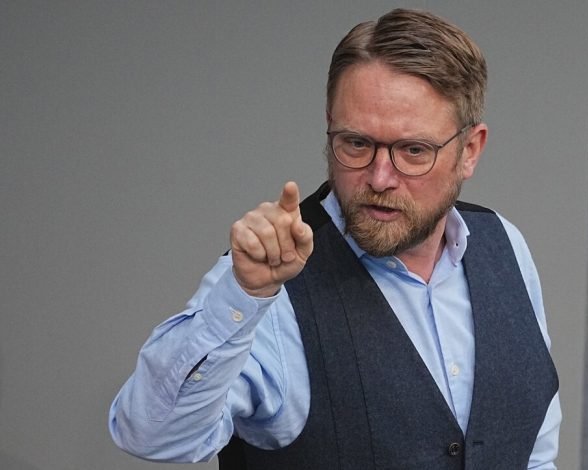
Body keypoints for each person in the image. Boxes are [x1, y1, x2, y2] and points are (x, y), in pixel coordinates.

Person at [109, 8, 561, 469]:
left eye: (413, 150)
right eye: (356, 143)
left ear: (470, 151)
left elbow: (532, 447)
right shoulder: (270, 284)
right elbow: (151, 435)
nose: (380, 177)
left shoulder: (503, 245)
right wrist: (243, 296)